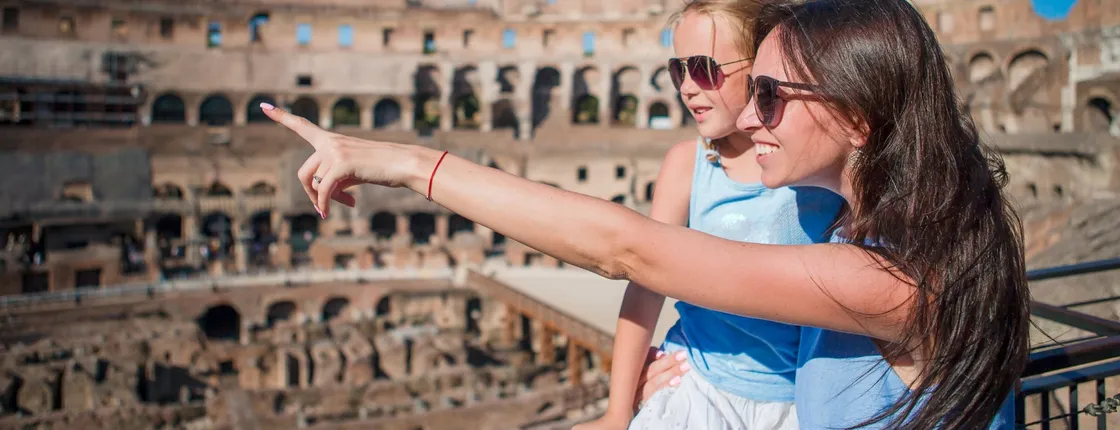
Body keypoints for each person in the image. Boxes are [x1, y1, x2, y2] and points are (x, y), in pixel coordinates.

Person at [260, 0, 1029, 426]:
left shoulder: (894, 278)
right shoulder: (890, 234)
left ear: (859, 117)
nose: (747, 116)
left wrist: (402, 163)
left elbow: (631, 252)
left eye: (767, 94)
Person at [574, 1, 842, 429]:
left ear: (763, 66)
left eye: (703, 68)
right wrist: (616, 412)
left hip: (801, 399)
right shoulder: (687, 165)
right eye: (678, 70)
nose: (687, 87)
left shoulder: (817, 168)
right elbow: (644, 286)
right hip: (697, 383)